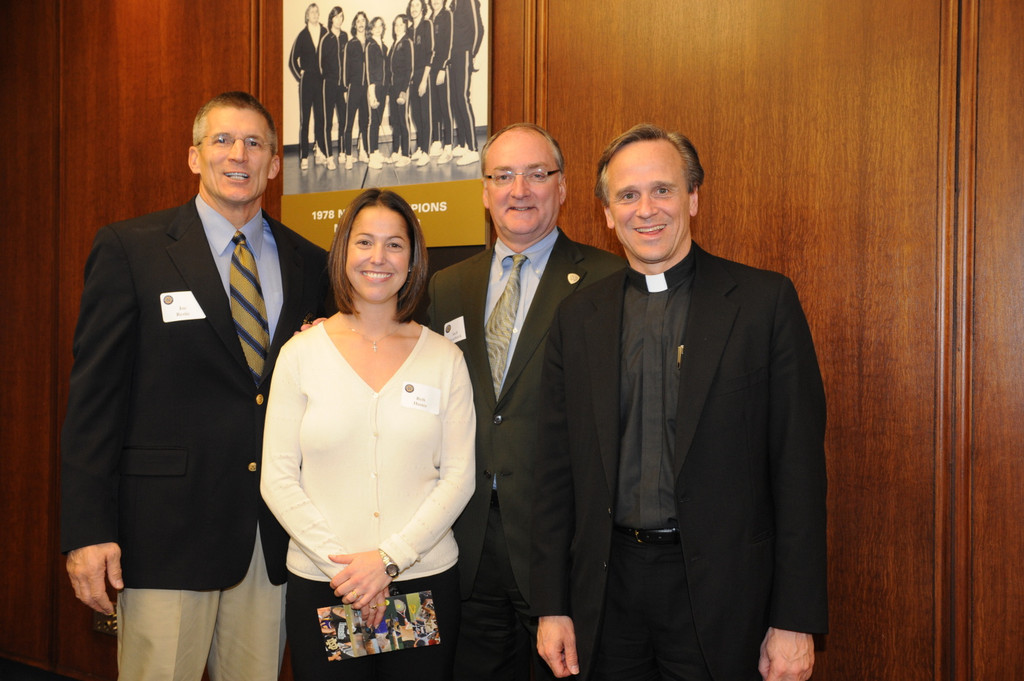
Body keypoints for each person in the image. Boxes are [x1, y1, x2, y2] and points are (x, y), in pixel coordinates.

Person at [531, 123, 828, 681]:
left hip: (722, 597)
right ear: (606, 212)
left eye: (662, 190)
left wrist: (794, 618)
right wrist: (553, 605)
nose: (647, 209)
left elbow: (799, 472)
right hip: (607, 592)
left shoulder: (763, 305)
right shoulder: (577, 319)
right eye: (628, 195)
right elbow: (553, 475)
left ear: (693, 198)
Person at [60, 91, 328, 681]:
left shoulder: (310, 262)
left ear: (275, 164)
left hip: (268, 539)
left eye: (255, 143)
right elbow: (94, 401)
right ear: (193, 156)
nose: (239, 155)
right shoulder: (132, 249)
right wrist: (87, 531)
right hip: (164, 536)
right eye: (223, 140)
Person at [427, 123, 624, 681]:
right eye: (504, 176)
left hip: (561, 545)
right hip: (467, 543)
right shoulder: (446, 286)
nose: (521, 190)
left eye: (537, 174)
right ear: (484, 191)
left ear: (562, 188)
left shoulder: (608, 280)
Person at [261, 188, 476, 681]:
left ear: (413, 257)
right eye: (364, 242)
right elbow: (276, 477)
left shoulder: (445, 358)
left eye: (394, 244)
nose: (378, 258)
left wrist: (388, 562)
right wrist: (351, 571)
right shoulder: (301, 354)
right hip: (326, 583)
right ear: (343, 252)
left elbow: (459, 475)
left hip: (421, 582)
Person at [290, 3, 329, 170]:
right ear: (307, 16)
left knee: (320, 118)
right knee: (305, 120)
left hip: (322, 83)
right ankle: (304, 156)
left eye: (316, 11)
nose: (314, 14)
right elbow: (292, 61)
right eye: (311, 12)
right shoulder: (302, 35)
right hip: (307, 84)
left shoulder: (325, 33)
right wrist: (302, 76)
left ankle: (319, 151)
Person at [448, 0, 484, 166]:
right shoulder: (452, 5)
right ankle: (462, 144)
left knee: (462, 97)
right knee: (455, 99)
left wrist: (472, 53)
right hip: (453, 55)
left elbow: (478, 29)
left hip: (464, 52)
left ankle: (473, 149)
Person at [319, 6, 348, 171]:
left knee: (344, 120)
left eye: (341, 17)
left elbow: (346, 63)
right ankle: (329, 156)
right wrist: (328, 79)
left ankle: (343, 152)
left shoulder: (345, 36)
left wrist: (344, 85)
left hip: (341, 86)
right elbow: (320, 65)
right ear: (332, 18)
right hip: (328, 85)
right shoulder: (326, 38)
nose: (339, 19)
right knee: (327, 122)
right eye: (336, 17)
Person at [408, 0, 434, 167]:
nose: (414, 8)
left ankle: (426, 151)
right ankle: (419, 147)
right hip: (412, 76)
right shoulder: (409, 30)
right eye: (412, 6)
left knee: (426, 115)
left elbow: (431, 52)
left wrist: (424, 79)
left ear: (422, 8)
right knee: (416, 114)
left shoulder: (427, 25)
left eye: (417, 5)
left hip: (425, 74)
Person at [343, 12, 371, 170]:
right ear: (355, 25)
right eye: (358, 21)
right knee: (349, 124)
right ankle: (348, 156)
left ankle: (365, 152)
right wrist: (345, 88)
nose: (361, 23)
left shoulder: (370, 43)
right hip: (353, 87)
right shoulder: (350, 44)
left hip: (366, 88)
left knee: (365, 122)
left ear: (366, 24)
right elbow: (345, 66)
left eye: (363, 20)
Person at [387, 14, 414, 167]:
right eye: (395, 24)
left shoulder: (407, 42)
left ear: (405, 26)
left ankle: (406, 154)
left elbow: (409, 69)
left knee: (403, 120)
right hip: (393, 88)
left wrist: (403, 91)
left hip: (402, 87)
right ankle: (396, 151)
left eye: (400, 25)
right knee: (395, 121)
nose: (397, 27)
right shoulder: (394, 43)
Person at [428, 0, 453, 163]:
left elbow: (449, 43)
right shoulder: (430, 18)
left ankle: (448, 146)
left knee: (445, 107)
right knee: (434, 106)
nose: (435, 1)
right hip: (431, 67)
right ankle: (437, 141)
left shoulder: (447, 15)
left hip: (443, 67)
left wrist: (443, 67)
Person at [365, 16, 388, 169]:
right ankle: (371, 155)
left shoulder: (384, 47)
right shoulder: (370, 45)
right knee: (373, 121)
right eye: (375, 26)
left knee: (378, 121)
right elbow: (368, 70)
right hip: (373, 87)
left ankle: (375, 150)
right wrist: (371, 91)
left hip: (383, 87)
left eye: (381, 26)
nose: (378, 28)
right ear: (371, 29)